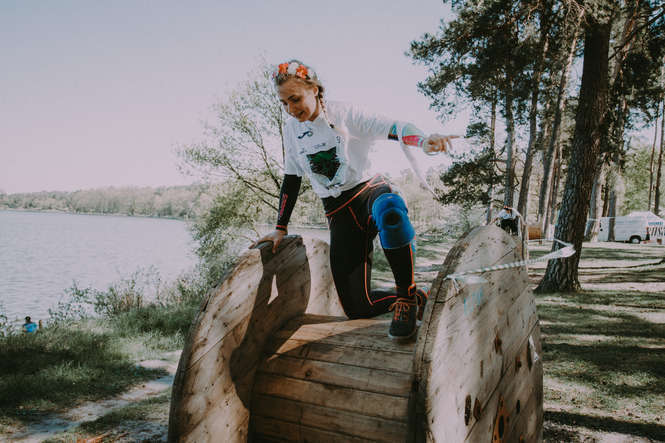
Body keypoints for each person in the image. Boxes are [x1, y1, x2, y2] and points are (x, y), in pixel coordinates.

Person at [251, 60, 458, 341]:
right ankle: (418, 298)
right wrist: (280, 227)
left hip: (369, 192)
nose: (291, 109)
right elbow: (291, 177)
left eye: (295, 99)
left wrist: (423, 140)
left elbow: (395, 126)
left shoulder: (346, 113)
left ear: (314, 89)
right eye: (284, 103)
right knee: (357, 307)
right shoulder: (291, 130)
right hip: (338, 211)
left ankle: (407, 296)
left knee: (390, 211)